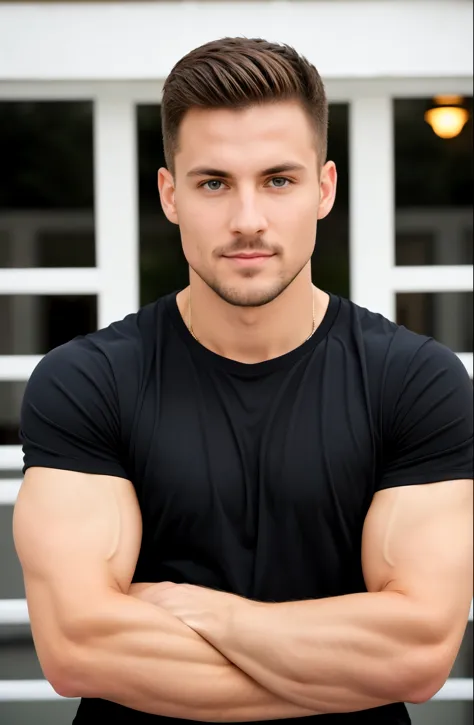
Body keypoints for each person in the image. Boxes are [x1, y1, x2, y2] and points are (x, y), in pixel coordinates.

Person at [13, 37, 473, 725]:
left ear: (324, 188)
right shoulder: (87, 382)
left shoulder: (414, 382)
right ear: (170, 194)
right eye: (214, 182)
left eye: (278, 180)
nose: (247, 219)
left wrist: (211, 613)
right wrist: (336, 660)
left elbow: (416, 654)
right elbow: (79, 647)